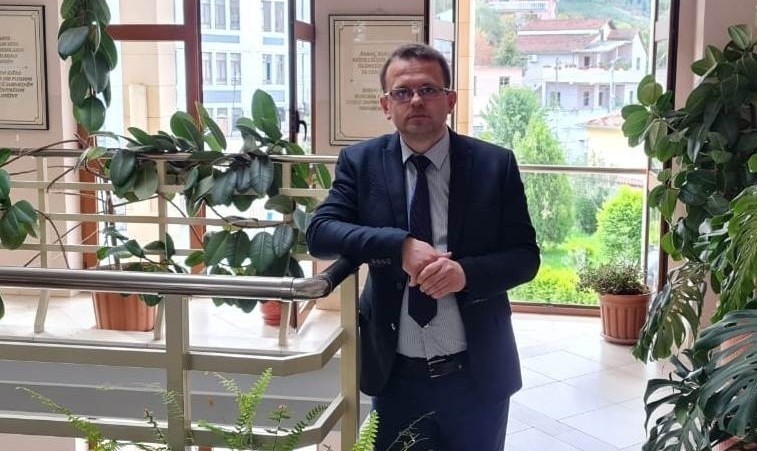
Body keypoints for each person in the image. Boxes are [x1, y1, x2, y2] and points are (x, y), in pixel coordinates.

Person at [306, 43, 540, 451]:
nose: (415, 100)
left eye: (428, 90)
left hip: (477, 376)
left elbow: (525, 257)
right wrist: (399, 246)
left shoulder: (494, 165)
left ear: (450, 100)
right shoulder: (361, 163)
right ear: (386, 105)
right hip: (396, 376)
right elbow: (320, 233)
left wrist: (465, 274)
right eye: (402, 92)